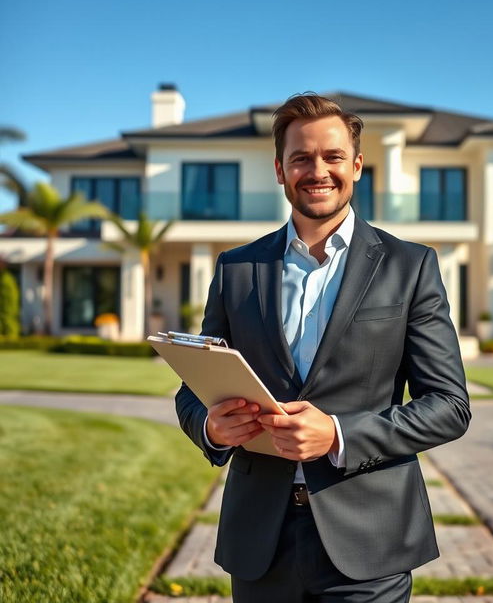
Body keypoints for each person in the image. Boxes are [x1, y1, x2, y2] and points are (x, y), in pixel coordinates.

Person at [175, 92, 471, 602]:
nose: (318, 171)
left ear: (356, 165)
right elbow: (192, 388)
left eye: (333, 156)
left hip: (369, 540)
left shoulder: (411, 266)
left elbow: (449, 407)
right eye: (301, 158)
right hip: (259, 541)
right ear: (279, 169)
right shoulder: (236, 269)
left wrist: (337, 434)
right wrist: (211, 427)